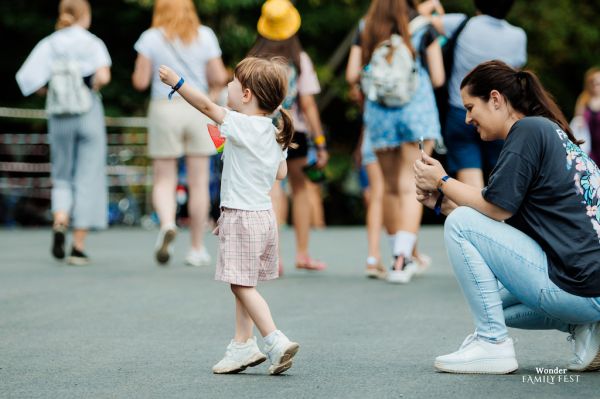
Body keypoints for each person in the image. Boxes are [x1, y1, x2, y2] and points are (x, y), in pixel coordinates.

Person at [414, 60, 600, 374]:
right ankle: (588, 328)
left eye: (471, 107)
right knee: (491, 300)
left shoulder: (527, 130)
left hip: (580, 284)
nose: (468, 117)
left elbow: (496, 207)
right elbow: (498, 222)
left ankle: (492, 344)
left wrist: (442, 181)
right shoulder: (548, 132)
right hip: (589, 285)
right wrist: (441, 203)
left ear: (496, 99)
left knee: (460, 226)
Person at [159, 57, 300, 375]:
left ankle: (275, 340)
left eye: (234, 83)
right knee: (245, 282)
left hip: (242, 217)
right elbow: (280, 172)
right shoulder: (273, 131)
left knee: (240, 286)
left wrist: (178, 83)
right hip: (265, 217)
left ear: (247, 94)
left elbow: (208, 108)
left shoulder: (240, 123)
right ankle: (242, 345)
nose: (228, 86)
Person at [346, 0, 444, 283]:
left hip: (380, 115)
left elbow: (352, 74)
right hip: (417, 114)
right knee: (411, 185)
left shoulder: (366, 28)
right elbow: (437, 77)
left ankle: (395, 258)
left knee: (388, 188)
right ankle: (404, 259)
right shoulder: (423, 28)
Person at [132, 0, 228, 266]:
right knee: (199, 182)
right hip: (198, 108)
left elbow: (140, 81)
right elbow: (218, 76)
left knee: (164, 178)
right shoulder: (205, 35)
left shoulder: (150, 38)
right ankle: (196, 248)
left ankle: (167, 223)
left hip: (165, 109)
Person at [16, 0, 111, 265]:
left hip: (59, 115)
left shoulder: (49, 43)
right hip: (88, 111)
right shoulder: (92, 43)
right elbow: (103, 76)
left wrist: (51, 91)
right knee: (88, 175)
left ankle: (60, 220)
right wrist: (89, 84)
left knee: (62, 173)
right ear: (86, 15)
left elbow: (27, 80)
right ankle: (78, 247)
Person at [248, 0, 329, 271]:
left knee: (272, 191)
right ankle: (303, 253)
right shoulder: (299, 60)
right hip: (294, 131)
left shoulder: (253, 62)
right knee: (301, 189)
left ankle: (275, 257)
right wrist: (320, 142)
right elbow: (307, 104)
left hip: (261, 132)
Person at [421, 0, 527, 188]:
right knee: (503, 176)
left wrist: (431, 5)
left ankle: (474, 216)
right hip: (499, 114)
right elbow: (513, 75)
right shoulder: (518, 36)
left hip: (461, 113)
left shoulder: (462, 24)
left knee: (470, 182)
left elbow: (416, 21)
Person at [573, 67, 600, 163]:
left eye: (598, 83)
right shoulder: (583, 99)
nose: (595, 86)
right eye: (593, 82)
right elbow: (577, 120)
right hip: (588, 146)